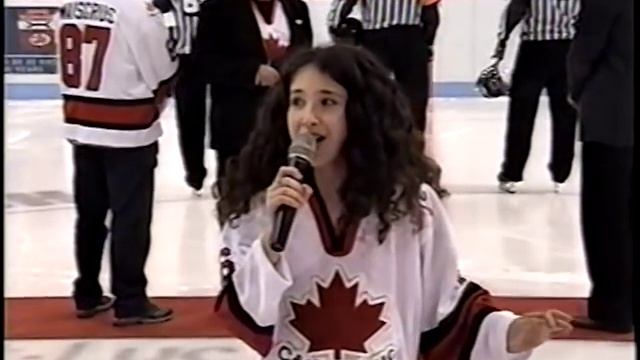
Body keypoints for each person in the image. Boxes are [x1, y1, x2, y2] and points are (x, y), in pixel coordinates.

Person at [212, 45, 573, 359]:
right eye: (297, 101)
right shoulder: (259, 209)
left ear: (360, 114)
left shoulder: (412, 206)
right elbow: (247, 319)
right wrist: (272, 245)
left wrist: (511, 334)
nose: (308, 117)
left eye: (327, 102)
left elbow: (445, 311)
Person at [58, 0, 176, 325]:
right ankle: (131, 299)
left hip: (81, 123)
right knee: (130, 219)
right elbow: (161, 69)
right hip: (127, 129)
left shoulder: (68, 6)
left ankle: (87, 292)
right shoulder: (138, 11)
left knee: (90, 215)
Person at [567, 0, 634, 334]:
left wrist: (577, 92)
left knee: (606, 218)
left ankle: (613, 307)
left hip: (613, 118)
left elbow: (585, 52)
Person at [194, 0, 312, 181]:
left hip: (285, 124)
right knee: (238, 196)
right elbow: (203, 63)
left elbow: (307, 53)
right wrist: (252, 72)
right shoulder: (217, 8)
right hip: (238, 124)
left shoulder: (296, 7)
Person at [492, 0, 579, 194]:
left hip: (534, 49)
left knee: (521, 113)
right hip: (568, 50)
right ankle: (561, 174)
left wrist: (501, 44)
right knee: (565, 113)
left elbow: (515, 11)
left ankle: (512, 173)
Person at [328, 0, 440, 134]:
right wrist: (427, 43)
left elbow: (342, 5)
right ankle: (413, 142)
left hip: (375, 36)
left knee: (371, 94)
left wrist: (336, 27)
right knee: (414, 96)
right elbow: (430, 12)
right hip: (409, 35)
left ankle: (372, 140)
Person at [153, 0, 210, 193]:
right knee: (189, 120)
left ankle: (227, 173)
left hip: (213, 59)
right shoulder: (161, 4)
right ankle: (195, 172)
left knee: (223, 117)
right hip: (181, 63)